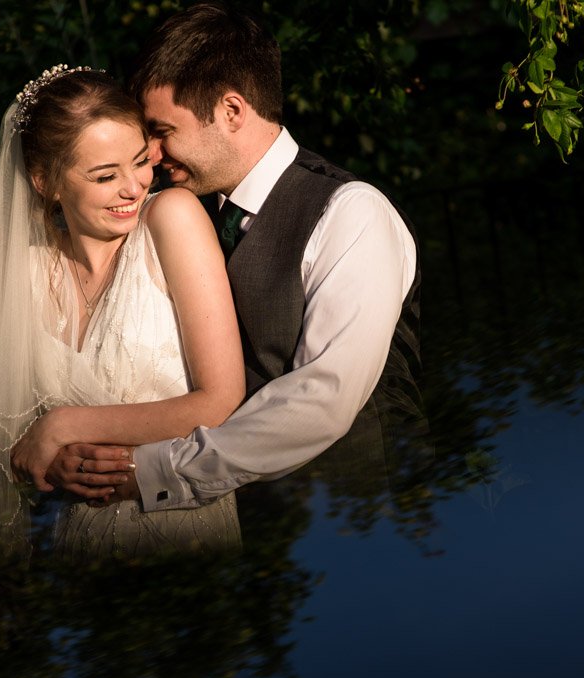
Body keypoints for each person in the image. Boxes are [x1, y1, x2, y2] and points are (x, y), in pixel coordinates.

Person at [49, 3, 422, 511]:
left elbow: (324, 400)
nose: (151, 157)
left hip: (362, 512)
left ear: (230, 111)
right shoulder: (181, 217)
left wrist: (157, 469)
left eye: (162, 132)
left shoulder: (351, 212)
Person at [0, 66, 245, 555]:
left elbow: (221, 402)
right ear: (45, 181)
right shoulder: (26, 273)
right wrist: (50, 464)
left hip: (185, 533)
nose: (133, 187)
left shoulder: (171, 218)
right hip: (81, 549)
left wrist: (63, 426)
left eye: (139, 161)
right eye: (104, 175)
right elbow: (9, 440)